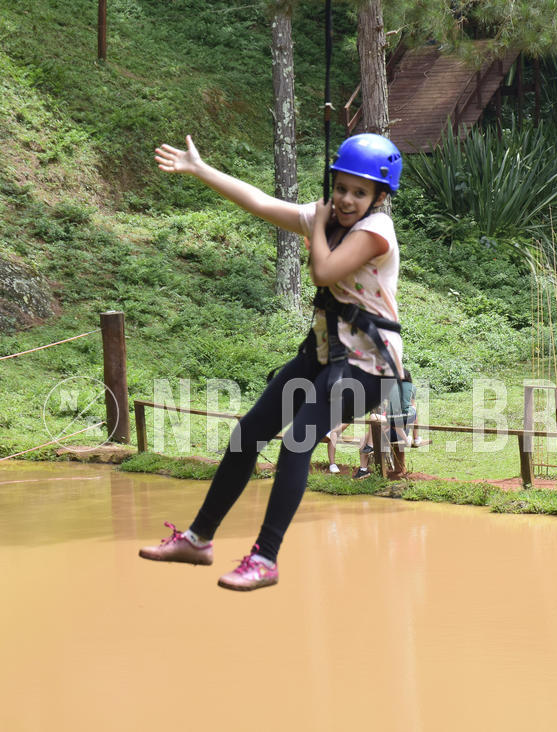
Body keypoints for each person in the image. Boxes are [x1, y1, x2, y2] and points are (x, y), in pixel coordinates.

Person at [139, 132, 404, 591]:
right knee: (249, 433)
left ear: (378, 197)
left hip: (368, 369)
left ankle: (265, 558)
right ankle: (198, 539)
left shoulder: (376, 231)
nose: (345, 199)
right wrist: (202, 171)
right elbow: (259, 203)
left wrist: (316, 227)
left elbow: (323, 270)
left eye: (359, 192)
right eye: (340, 187)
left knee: (298, 440)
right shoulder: (328, 220)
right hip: (323, 354)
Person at [353, 368, 418, 480]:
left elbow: (410, 417)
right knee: (363, 438)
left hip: (399, 430)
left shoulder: (408, 400)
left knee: (376, 420)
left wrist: (415, 436)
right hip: (387, 429)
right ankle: (363, 470)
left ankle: (371, 446)